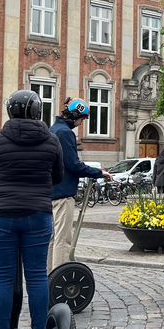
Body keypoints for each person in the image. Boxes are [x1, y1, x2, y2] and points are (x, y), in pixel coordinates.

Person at [0, 90, 64, 329]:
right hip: (38, 213)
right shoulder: (52, 141)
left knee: (2, 276)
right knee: (36, 276)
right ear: (38, 112)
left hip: (2, 214)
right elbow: (58, 177)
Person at [48, 97, 112, 271]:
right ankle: (58, 279)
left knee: (52, 239)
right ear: (75, 115)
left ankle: (48, 278)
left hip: (50, 192)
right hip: (62, 194)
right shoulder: (65, 133)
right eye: (82, 118)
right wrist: (99, 172)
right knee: (63, 239)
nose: (82, 123)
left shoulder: (53, 129)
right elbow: (73, 164)